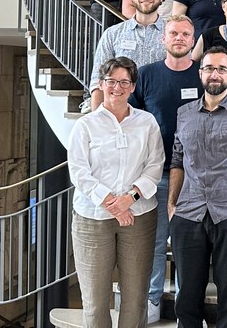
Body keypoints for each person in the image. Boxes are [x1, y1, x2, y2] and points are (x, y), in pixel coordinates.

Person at [169, 46, 227, 328]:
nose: (215, 74)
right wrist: (171, 205)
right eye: (209, 68)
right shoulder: (184, 113)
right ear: (200, 73)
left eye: (222, 69)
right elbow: (177, 159)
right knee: (186, 297)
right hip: (188, 214)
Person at [69, 57, 163, 328]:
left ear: (133, 87)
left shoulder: (147, 123)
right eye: (111, 81)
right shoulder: (85, 125)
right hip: (92, 219)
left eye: (124, 82)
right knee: (96, 300)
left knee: (135, 298)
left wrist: (129, 199)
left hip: (140, 216)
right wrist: (112, 203)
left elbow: (155, 165)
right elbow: (79, 172)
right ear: (101, 84)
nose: (117, 88)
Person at [128, 15, 203, 323]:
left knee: (189, 245)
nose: (179, 38)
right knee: (156, 242)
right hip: (155, 173)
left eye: (186, 34)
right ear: (164, 38)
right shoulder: (145, 75)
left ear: (193, 39)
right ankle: (152, 300)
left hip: (194, 176)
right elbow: (130, 121)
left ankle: (189, 308)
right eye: (174, 33)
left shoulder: (203, 75)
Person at [89, 0, 167, 111]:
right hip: (120, 114)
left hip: (161, 112)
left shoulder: (173, 34)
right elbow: (98, 80)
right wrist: (97, 122)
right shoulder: (112, 34)